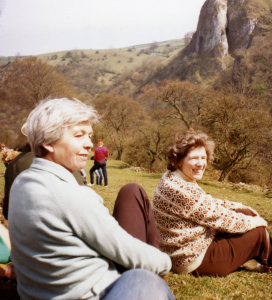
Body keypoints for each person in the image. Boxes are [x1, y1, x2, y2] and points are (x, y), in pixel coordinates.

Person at [9, 98, 174, 300]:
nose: (89, 144)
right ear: (48, 142)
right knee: (144, 279)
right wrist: (164, 263)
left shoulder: (22, 182)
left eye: (89, 136)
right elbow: (125, 250)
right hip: (94, 293)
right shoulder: (69, 194)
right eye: (78, 136)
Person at [153, 129, 272, 277]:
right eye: (194, 158)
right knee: (258, 233)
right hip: (190, 259)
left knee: (245, 213)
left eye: (203, 158)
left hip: (180, 249)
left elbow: (206, 204)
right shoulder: (181, 190)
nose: (200, 163)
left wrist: (238, 206)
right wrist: (254, 221)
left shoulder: (173, 177)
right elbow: (222, 219)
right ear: (179, 160)